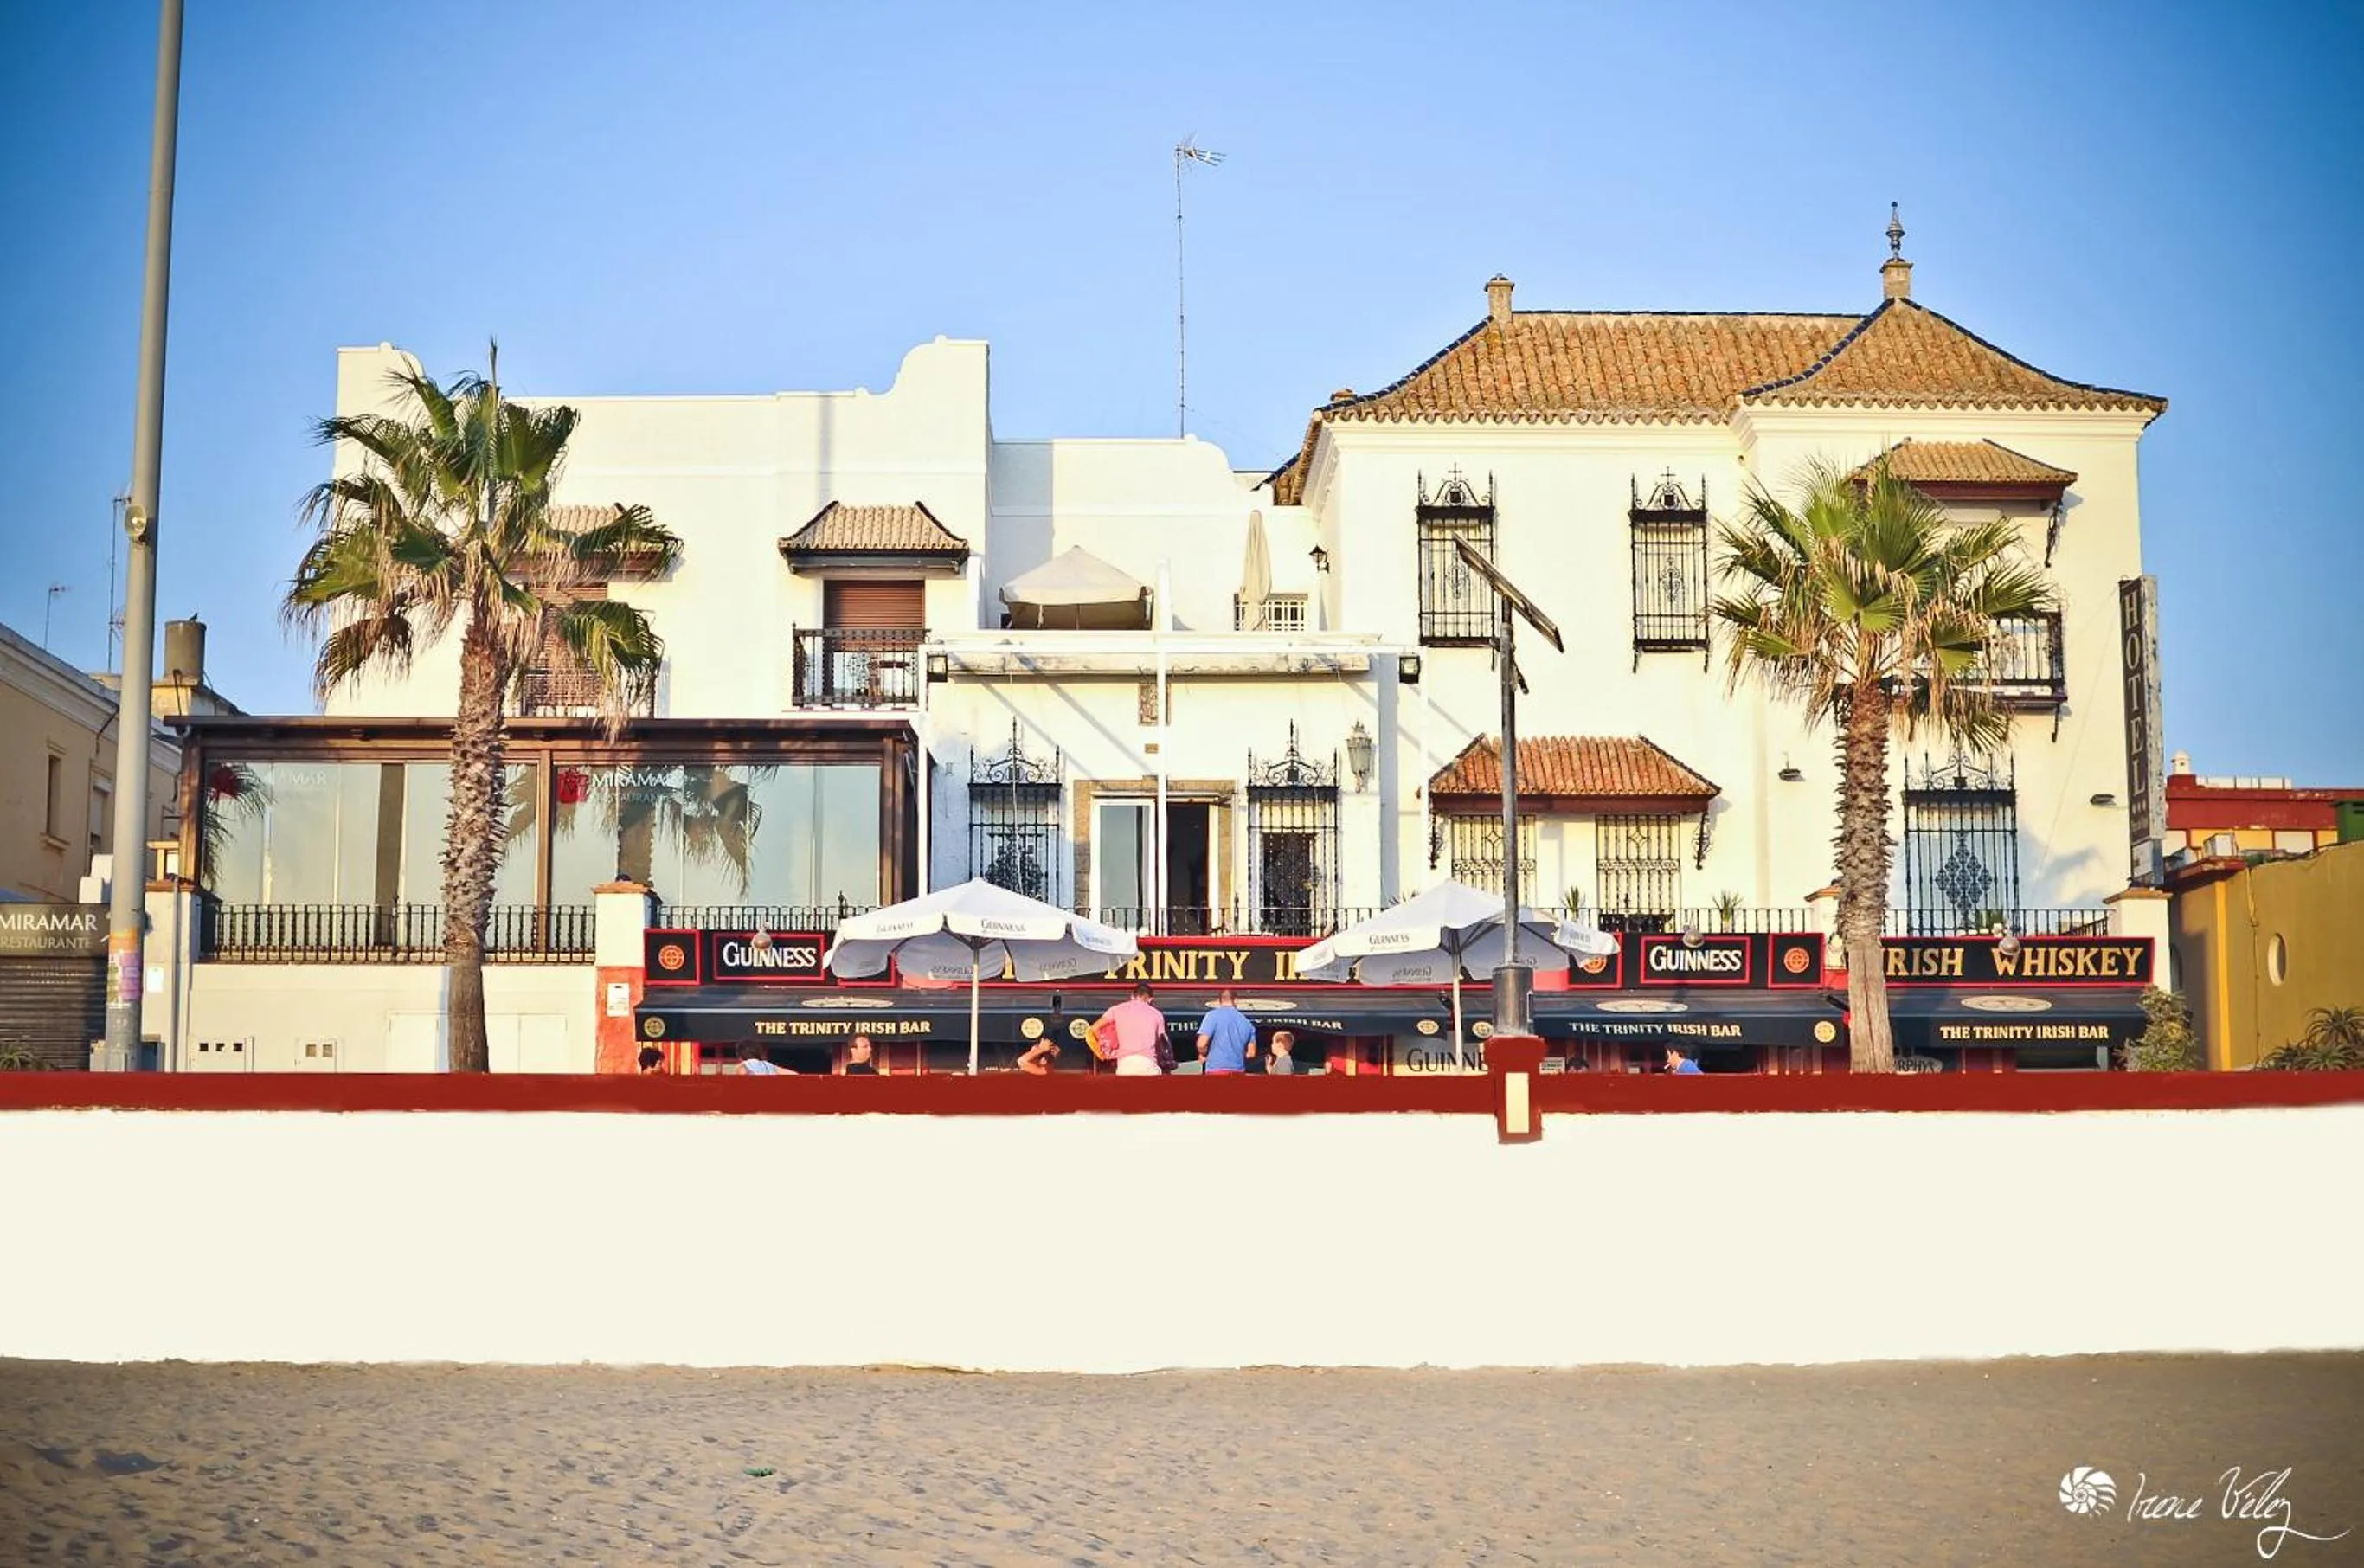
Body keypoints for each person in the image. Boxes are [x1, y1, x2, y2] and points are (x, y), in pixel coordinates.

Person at [1093, 982, 1167, 1076]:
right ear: (1150, 999)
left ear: (1132, 996)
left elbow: (1095, 1029)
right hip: (1148, 1064)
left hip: (1125, 1065)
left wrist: (1107, 1051)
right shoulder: (1157, 1014)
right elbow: (1162, 1042)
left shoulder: (1116, 1009)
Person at [1195, 988, 1257, 1076]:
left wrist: (1204, 1054)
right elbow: (1251, 1053)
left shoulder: (1212, 1016)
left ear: (1219, 1001)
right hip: (1238, 1071)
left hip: (1216, 1070)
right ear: (1236, 1001)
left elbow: (1201, 1044)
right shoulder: (1247, 1023)